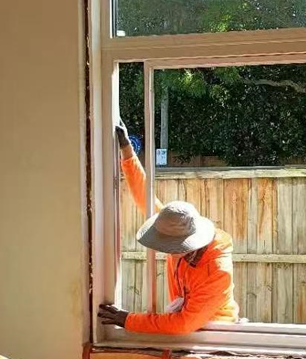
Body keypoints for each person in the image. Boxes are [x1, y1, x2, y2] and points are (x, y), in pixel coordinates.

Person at [98, 122, 238, 334]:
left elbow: (183, 324)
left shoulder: (216, 271)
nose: (165, 248)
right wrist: (127, 152)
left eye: (169, 244)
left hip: (215, 334)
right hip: (186, 330)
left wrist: (128, 320)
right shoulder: (177, 227)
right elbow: (145, 199)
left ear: (187, 243)